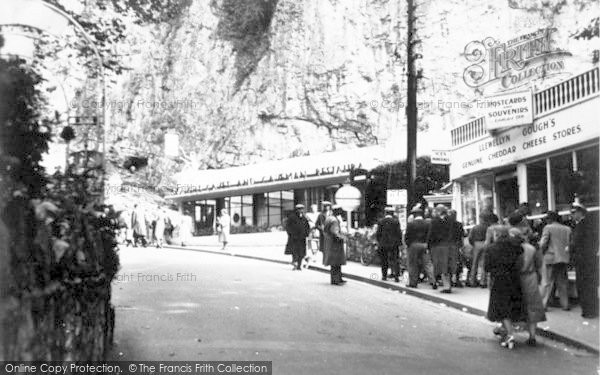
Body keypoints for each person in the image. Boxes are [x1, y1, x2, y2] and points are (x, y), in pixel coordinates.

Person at [485, 225, 526, 350]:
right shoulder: (516, 247)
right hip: (514, 279)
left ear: (496, 235)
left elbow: (487, 267)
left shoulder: (491, 248)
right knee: (510, 306)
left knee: (502, 307)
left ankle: (509, 334)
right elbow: (520, 263)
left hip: (499, 279)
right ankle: (504, 330)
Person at [508, 215, 546, 347]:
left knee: (513, 305)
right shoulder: (532, 249)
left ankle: (508, 332)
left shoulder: (513, 249)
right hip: (531, 277)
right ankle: (532, 336)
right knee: (532, 308)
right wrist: (540, 279)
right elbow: (539, 265)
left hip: (517, 278)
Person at [538, 210, 572, 311]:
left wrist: (541, 252)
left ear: (550, 219)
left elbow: (543, 243)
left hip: (550, 258)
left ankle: (543, 305)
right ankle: (565, 305)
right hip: (563, 258)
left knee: (547, 282)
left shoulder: (548, 228)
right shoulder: (567, 229)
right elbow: (570, 244)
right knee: (562, 283)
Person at [570, 203, 599, 318]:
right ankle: (589, 310)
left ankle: (589, 311)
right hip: (587, 260)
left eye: (573, 212)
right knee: (587, 286)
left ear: (580, 212)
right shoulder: (584, 225)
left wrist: (571, 248)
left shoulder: (584, 226)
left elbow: (579, 243)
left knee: (586, 286)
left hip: (584, 261)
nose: (572, 215)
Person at [427, 204, 454, 293]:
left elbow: (431, 234)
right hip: (448, 245)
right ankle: (448, 284)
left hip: (437, 246)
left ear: (438, 211)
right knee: (447, 265)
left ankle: (442, 285)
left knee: (439, 265)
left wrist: (428, 245)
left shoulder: (434, 221)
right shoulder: (451, 220)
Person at [405, 207, 432, 288]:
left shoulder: (411, 224)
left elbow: (407, 236)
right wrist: (427, 244)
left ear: (414, 215)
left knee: (413, 264)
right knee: (427, 264)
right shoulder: (427, 223)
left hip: (413, 245)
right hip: (424, 245)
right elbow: (429, 235)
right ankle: (433, 281)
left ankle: (413, 283)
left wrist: (408, 244)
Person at [376, 211, 403, 282]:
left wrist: (379, 241)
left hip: (383, 244)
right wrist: (399, 243)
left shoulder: (381, 222)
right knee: (395, 260)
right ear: (392, 214)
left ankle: (384, 276)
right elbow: (399, 233)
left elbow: (378, 233)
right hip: (394, 244)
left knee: (384, 260)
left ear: (385, 214)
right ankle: (396, 276)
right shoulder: (396, 222)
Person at [323, 205, 347, 285]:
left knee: (333, 263)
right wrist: (343, 238)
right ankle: (337, 280)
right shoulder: (334, 220)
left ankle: (335, 279)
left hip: (329, 243)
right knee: (337, 263)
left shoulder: (329, 218)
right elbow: (335, 232)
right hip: (335, 244)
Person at [285, 204, 311, 270]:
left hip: (302, 238)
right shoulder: (292, 217)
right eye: (299, 209)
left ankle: (299, 265)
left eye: (302, 209)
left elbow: (307, 226)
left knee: (301, 253)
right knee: (294, 252)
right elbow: (288, 227)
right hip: (294, 238)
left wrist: (307, 233)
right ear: (296, 210)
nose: (301, 211)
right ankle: (295, 264)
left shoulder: (304, 217)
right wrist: (291, 234)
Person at [468, 213, 491, 287]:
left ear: (480, 219)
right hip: (485, 243)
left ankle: (473, 281)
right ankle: (483, 282)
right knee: (484, 263)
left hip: (476, 243)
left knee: (475, 263)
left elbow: (470, 237)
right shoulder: (488, 227)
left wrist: (473, 244)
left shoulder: (475, 227)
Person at [448, 209, 466, 287]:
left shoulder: (445, 224)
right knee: (457, 262)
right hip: (456, 245)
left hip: (448, 245)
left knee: (449, 262)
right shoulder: (459, 224)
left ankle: (450, 280)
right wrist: (462, 246)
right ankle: (457, 279)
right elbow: (463, 235)